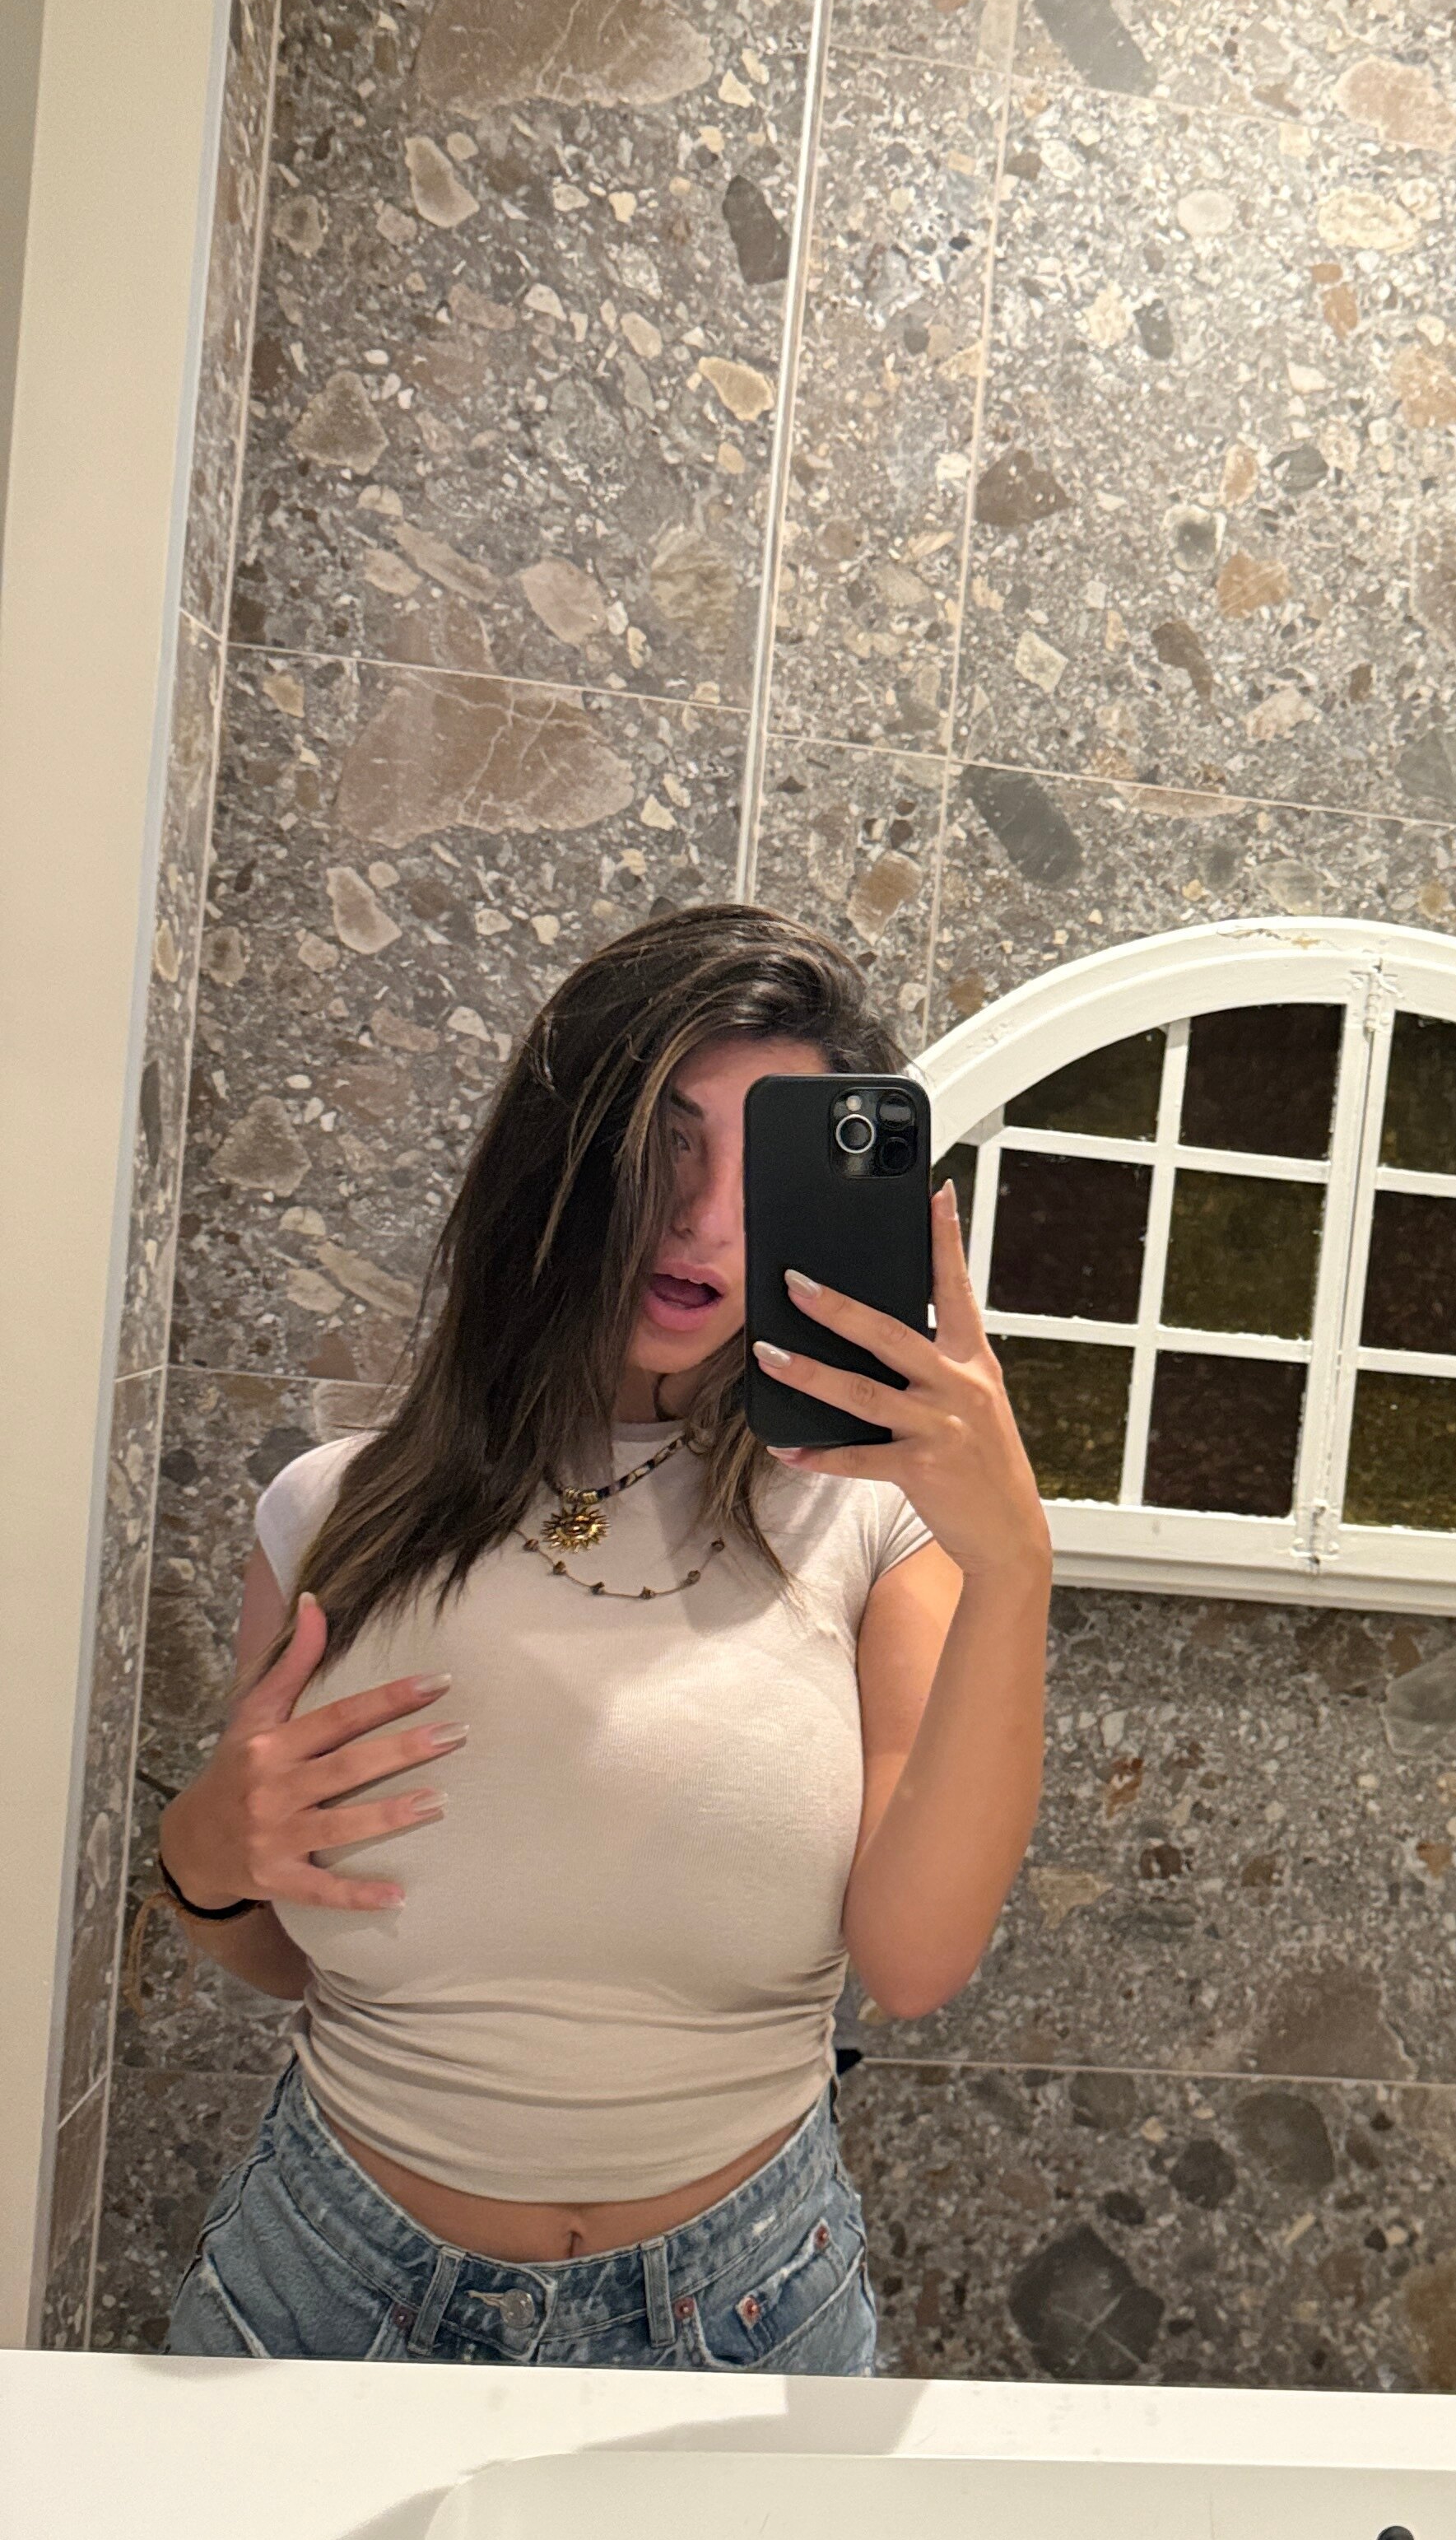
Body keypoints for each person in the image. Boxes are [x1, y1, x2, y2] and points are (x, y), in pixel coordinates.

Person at [156, 906, 1049, 2371]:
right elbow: (286, 1942)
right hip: (323, 2283)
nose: (706, 1221)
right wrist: (199, 1855)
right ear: (562, 1158)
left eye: (763, 1172)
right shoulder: (332, 1512)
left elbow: (913, 1962)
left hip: (748, 2306)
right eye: (665, 1146)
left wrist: (1013, 1564)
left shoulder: (876, 1528)